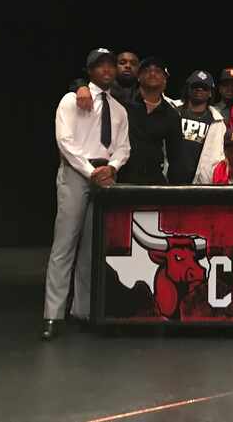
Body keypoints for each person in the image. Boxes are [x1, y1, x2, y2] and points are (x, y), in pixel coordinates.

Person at [43, 48, 130, 340]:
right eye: (99, 66)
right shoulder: (71, 99)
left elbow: (123, 147)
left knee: (93, 249)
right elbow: (64, 140)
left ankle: (82, 310)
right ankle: (52, 314)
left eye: (110, 66)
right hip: (77, 174)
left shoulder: (118, 109)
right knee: (64, 244)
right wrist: (88, 170)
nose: (106, 70)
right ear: (90, 71)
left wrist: (113, 167)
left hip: (104, 176)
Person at [116, 57, 183, 184]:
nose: (152, 73)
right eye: (147, 70)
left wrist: (176, 193)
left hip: (153, 182)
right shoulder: (122, 105)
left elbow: (176, 158)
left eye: (158, 71)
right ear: (138, 77)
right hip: (121, 179)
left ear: (165, 79)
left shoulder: (172, 115)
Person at [171, 70, 226, 184]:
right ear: (188, 89)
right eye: (195, 86)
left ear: (210, 92)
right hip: (168, 177)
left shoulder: (217, 121)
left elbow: (218, 156)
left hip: (199, 183)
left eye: (204, 87)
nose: (199, 89)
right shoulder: (172, 110)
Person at [71, 49, 140, 108]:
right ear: (115, 67)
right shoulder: (102, 88)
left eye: (133, 64)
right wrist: (81, 87)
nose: (128, 66)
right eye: (122, 63)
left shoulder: (142, 94)